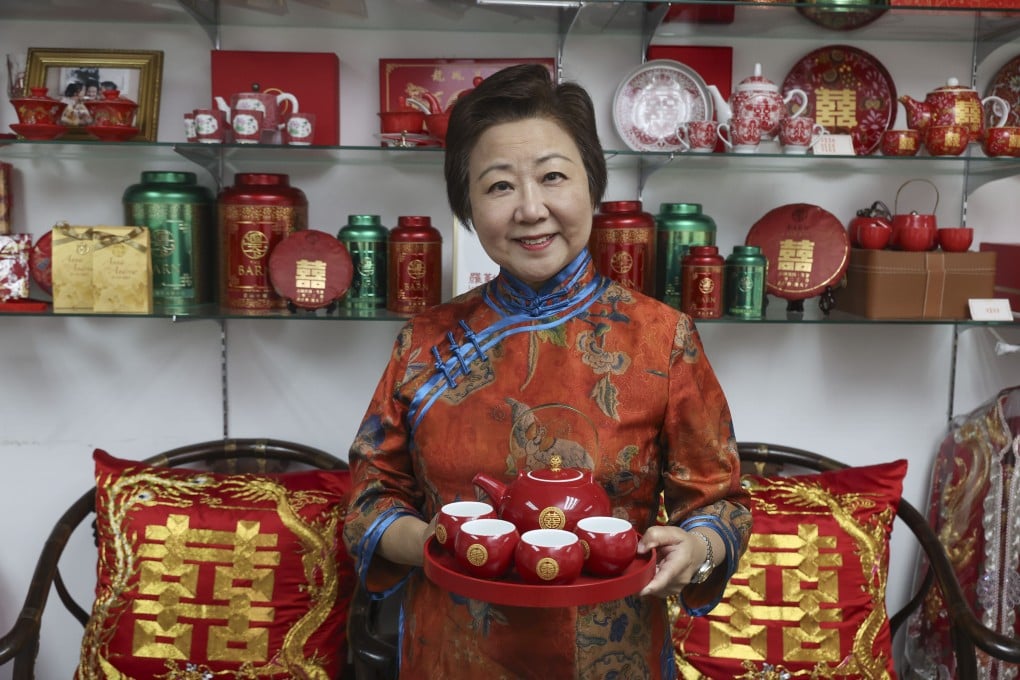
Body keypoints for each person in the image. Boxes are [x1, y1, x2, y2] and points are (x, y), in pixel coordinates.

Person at [342, 63, 752, 679]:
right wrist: (439, 549)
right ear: (469, 207)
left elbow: (721, 504)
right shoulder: (425, 340)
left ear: (591, 186)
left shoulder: (662, 337)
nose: (531, 210)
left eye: (553, 177)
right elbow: (368, 498)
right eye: (499, 186)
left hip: (611, 654)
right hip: (453, 653)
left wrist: (696, 546)